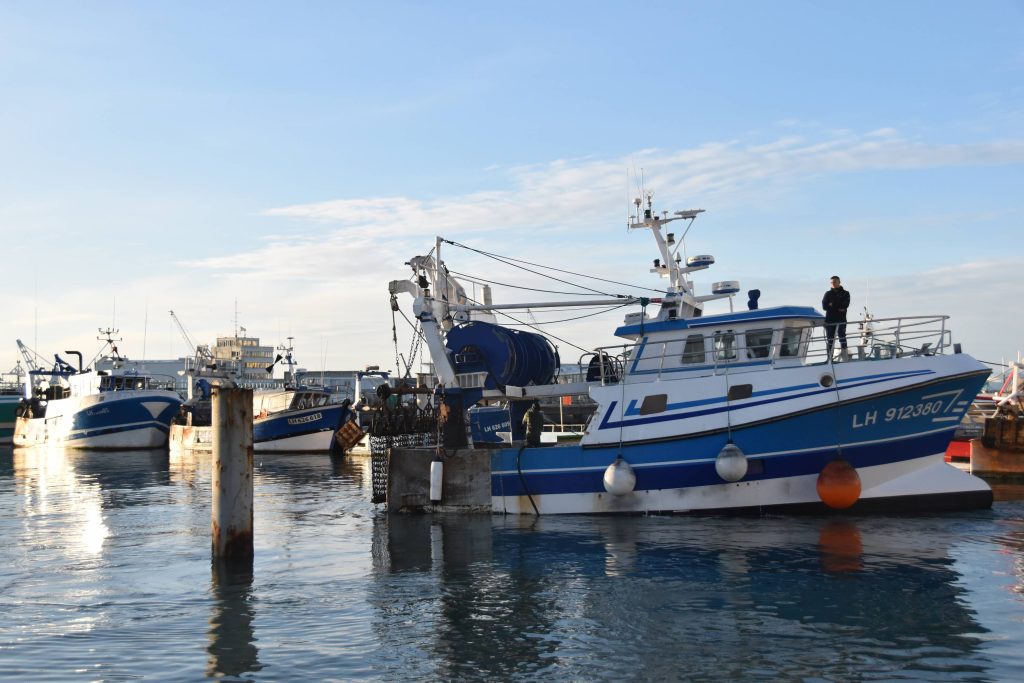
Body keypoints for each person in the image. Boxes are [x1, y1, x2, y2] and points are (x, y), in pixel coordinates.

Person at [822, 275, 850, 360]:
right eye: (831, 282)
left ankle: (845, 357)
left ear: (839, 282)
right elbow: (824, 306)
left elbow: (845, 305)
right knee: (830, 339)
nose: (833, 284)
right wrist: (838, 306)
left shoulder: (845, 293)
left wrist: (832, 304)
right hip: (830, 320)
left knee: (842, 337)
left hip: (841, 319)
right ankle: (829, 358)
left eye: (834, 282)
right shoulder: (828, 294)